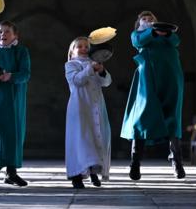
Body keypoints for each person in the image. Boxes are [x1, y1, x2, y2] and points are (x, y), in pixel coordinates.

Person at [120, 10, 186, 180]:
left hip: (171, 77)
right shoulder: (139, 34)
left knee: (172, 119)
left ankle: (177, 161)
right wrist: (153, 31)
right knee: (142, 119)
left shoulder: (167, 35)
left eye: (151, 19)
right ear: (139, 22)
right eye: (144, 18)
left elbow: (176, 41)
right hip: (148, 79)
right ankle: (135, 162)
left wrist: (165, 33)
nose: (148, 20)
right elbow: (139, 41)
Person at [0, 20, 31, 187]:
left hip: (16, 97)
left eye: (6, 32)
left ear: (15, 35)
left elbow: (25, 74)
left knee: (15, 132)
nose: (2, 34)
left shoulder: (22, 52)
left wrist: (10, 76)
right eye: (0, 32)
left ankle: (11, 172)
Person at [65, 37, 112, 188]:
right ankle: (76, 175)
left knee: (96, 137)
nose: (84, 48)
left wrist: (102, 71)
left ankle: (93, 172)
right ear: (72, 51)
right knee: (81, 139)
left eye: (86, 46)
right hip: (79, 107)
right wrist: (90, 69)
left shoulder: (95, 64)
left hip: (96, 106)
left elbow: (106, 82)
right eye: (80, 46)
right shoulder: (70, 65)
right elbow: (77, 81)